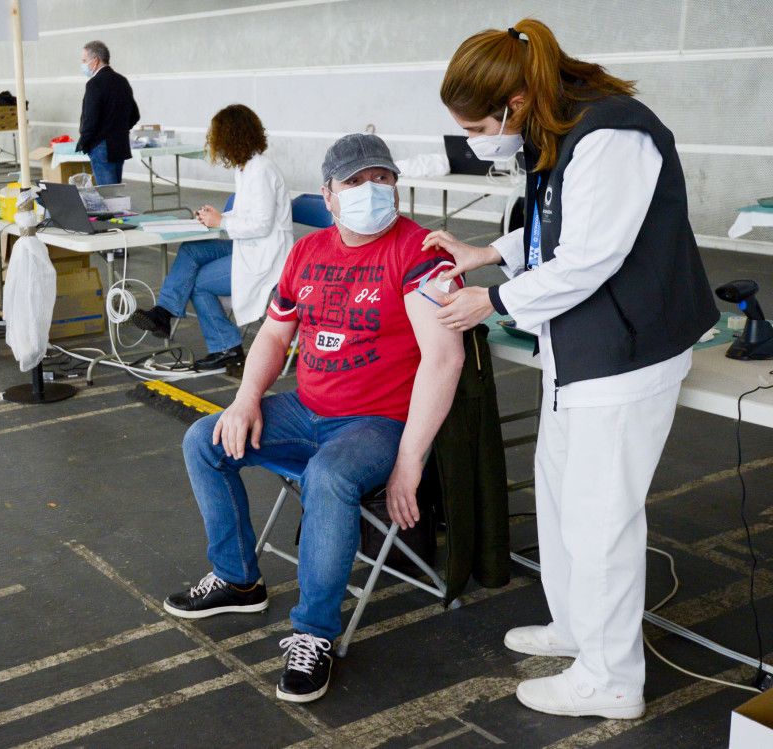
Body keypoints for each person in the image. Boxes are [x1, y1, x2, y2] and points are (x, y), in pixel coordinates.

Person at [425, 19, 718, 720]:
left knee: (601, 519)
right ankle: (578, 627)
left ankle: (612, 675)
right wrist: (488, 253)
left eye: (476, 127)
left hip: (624, 354)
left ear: (516, 103)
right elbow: (554, 223)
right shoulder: (560, 128)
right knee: (560, 500)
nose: (475, 141)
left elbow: (590, 256)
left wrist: (487, 300)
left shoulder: (613, 134)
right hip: (579, 351)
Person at [163, 133, 465, 704]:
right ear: (327, 195)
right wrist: (247, 397)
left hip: (377, 423)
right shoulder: (307, 253)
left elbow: (444, 357)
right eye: (354, 182)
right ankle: (237, 578)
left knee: (329, 476)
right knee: (205, 439)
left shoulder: (420, 251)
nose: (371, 191)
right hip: (306, 410)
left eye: (382, 179)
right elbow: (276, 333)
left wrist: (409, 462)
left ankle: (313, 635)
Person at [130, 105, 292, 371]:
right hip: (248, 246)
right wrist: (217, 216)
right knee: (192, 250)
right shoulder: (246, 167)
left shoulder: (261, 170)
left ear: (230, 137)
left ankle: (227, 347)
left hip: (266, 257)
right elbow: (248, 215)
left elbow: (261, 225)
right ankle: (164, 312)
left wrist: (222, 221)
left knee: (198, 283)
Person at [75, 40, 140, 187]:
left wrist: (84, 142)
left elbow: (90, 120)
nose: (83, 64)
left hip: (101, 147)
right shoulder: (121, 81)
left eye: (84, 60)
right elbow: (134, 115)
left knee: (108, 196)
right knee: (116, 194)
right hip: (119, 144)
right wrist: (119, 129)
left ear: (95, 60)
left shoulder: (94, 84)